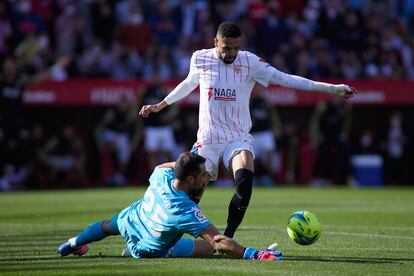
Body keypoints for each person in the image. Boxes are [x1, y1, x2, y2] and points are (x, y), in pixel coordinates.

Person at [139, 22, 357, 238]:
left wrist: (332, 89)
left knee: (245, 181)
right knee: (192, 192)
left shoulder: (250, 62)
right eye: (227, 48)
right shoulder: (200, 58)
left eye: (236, 47)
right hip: (209, 138)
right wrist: (160, 105)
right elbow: (188, 84)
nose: (232, 53)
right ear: (216, 42)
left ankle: (228, 237)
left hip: (238, 137)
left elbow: (286, 79)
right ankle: (163, 238)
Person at [57, 152, 282, 261]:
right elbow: (219, 242)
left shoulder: (160, 174)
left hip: (131, 220)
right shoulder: (184, 211)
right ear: (190, 179)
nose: (208, 178)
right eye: (204, 175)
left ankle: (71, 243)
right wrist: (254, 254)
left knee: (107, 226)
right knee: (208, 248)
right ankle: (130, 251)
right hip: (147, 249)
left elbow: (165, 166)